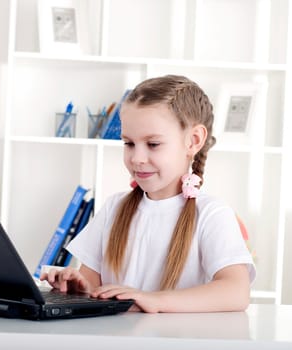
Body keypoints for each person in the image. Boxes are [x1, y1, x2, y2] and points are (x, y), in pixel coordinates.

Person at [40, 75, 256, 313]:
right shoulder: (115, 207)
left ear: (193, 141)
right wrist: (78, 289)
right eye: (129, 143)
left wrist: (154, 300)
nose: (136, 158)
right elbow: (91, 283)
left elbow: (236, 292)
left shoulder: (212, 214)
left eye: (153, 144)